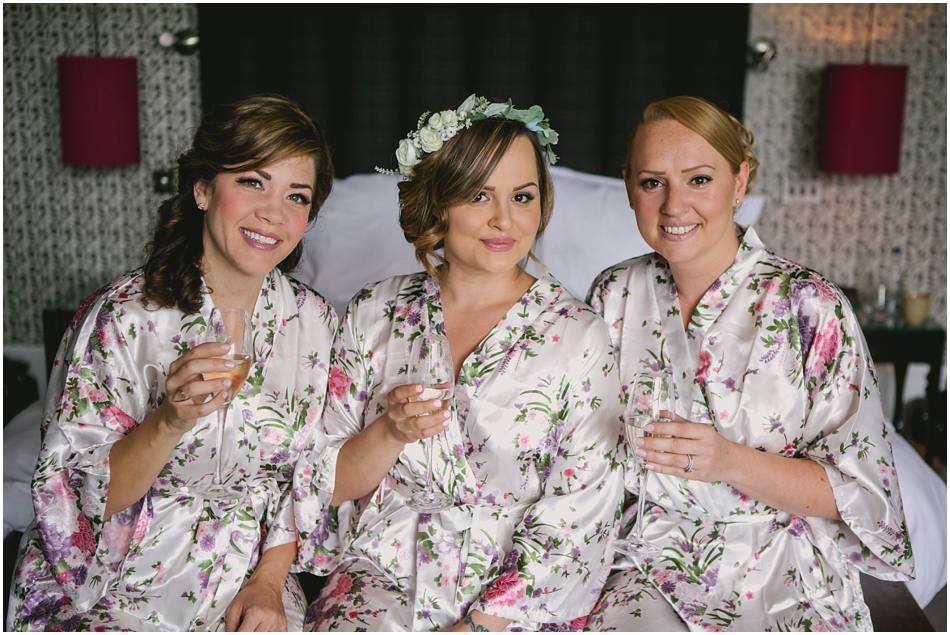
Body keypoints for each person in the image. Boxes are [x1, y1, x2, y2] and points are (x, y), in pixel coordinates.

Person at [293, 94, 625, 631]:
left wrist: (482, 623)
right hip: (381, 573)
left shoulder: (578, 335)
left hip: (516, 597)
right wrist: (390, 431)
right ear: (436, 203)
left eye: (522, 196)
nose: (504, 220)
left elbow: (581, 510)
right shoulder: (376, 311)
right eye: (478, 195)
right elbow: (325, 480)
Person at [7, 94, 338, 631]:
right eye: (253, 182)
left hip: (246, 577)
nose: (274, 213)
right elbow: (76, 501)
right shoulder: (122, 317)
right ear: (204, 189)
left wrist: (269, 584)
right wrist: (169, 420)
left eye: (296, 196)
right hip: (114, 580)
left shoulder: (316, 325)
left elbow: (308, 478)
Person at [584, 95, 914, 631]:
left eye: (699, 180)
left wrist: (729, 461)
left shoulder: (810, 305)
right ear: (628, 187)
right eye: (652, 183)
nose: (673, 206)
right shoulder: (614, 293)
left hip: (780, 563)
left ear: (740, 181)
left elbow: (859, 493)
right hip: (643, 557)